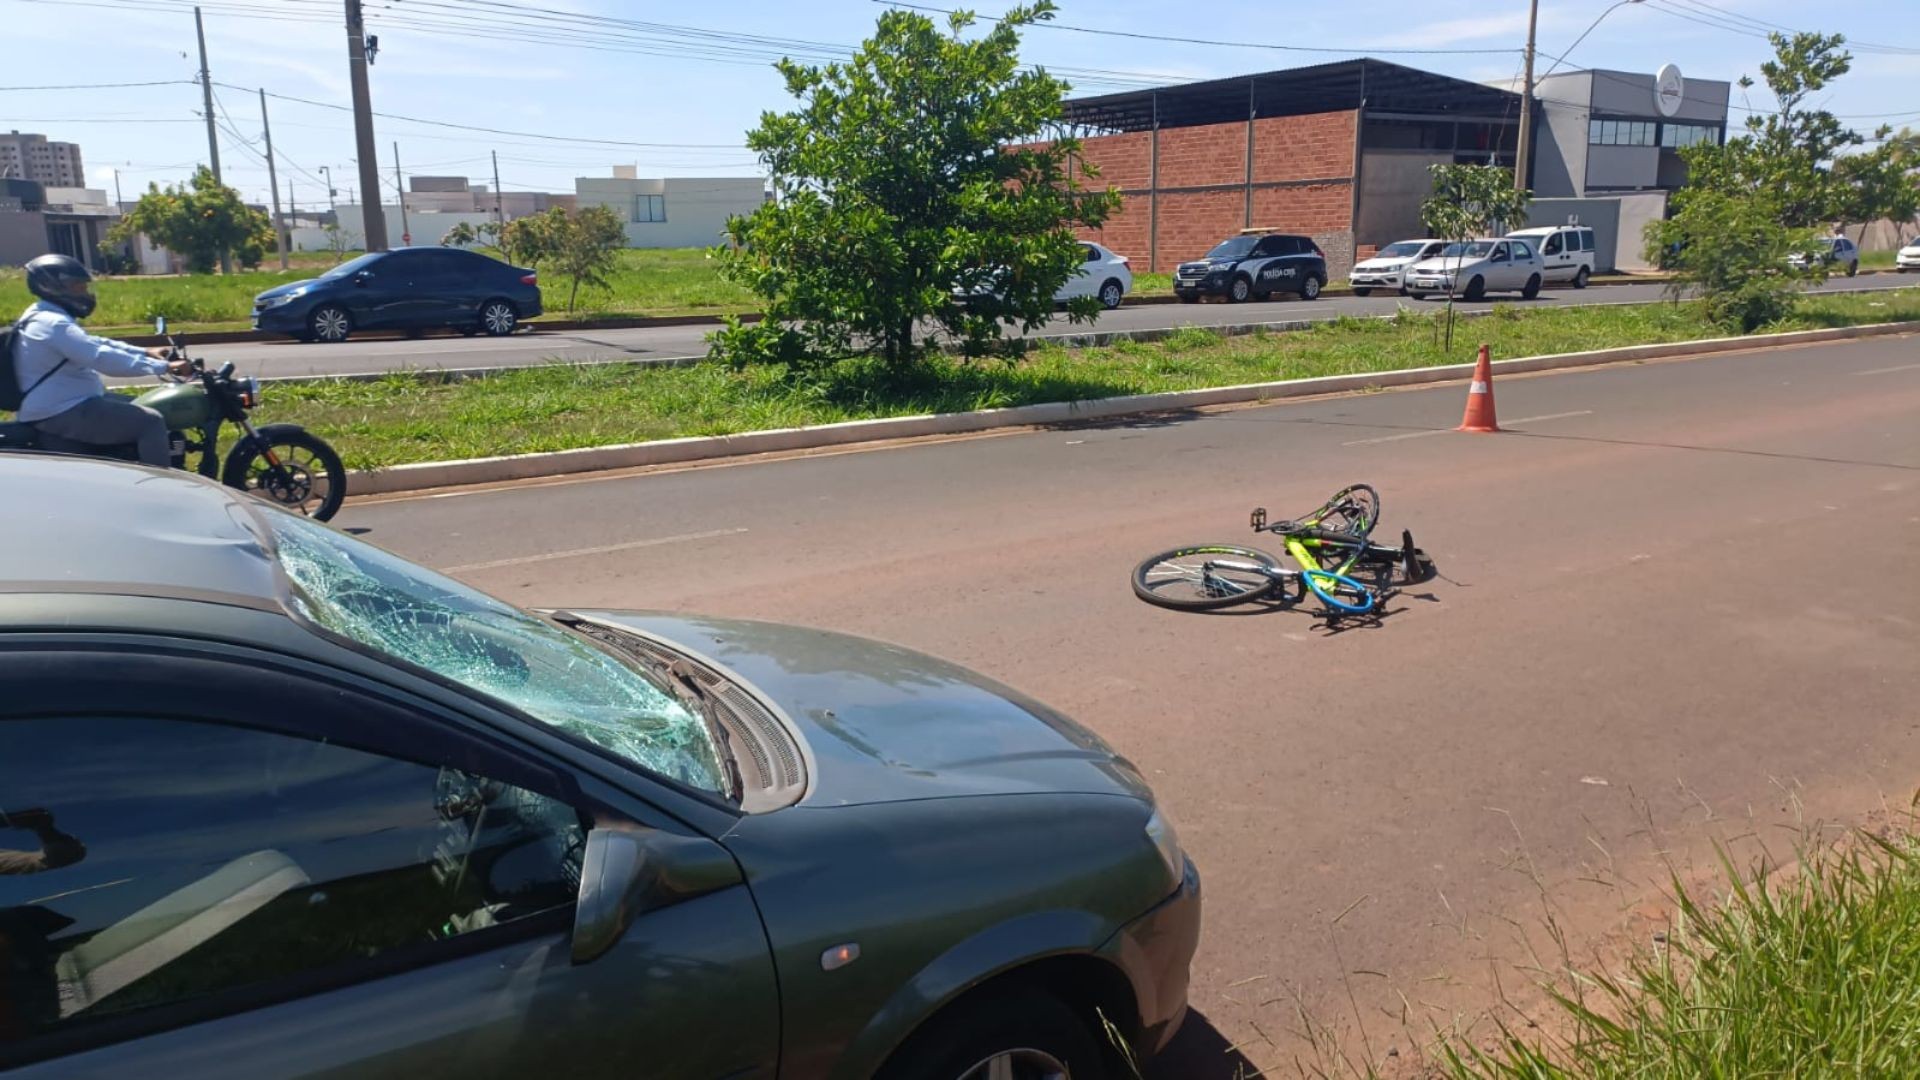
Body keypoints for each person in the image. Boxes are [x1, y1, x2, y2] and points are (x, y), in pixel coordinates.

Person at [12, 254, 190, 467]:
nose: (86, 294)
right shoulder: (53, 324)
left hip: (67, 401)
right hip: (62, 409)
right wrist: (164, 366)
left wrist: (144, 351)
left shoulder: (39, 315)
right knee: (151, 421)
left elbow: (93, 343)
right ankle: (164, 487)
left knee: (142, 404)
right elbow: (99, 357)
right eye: (78, 287)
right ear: (52, 287)